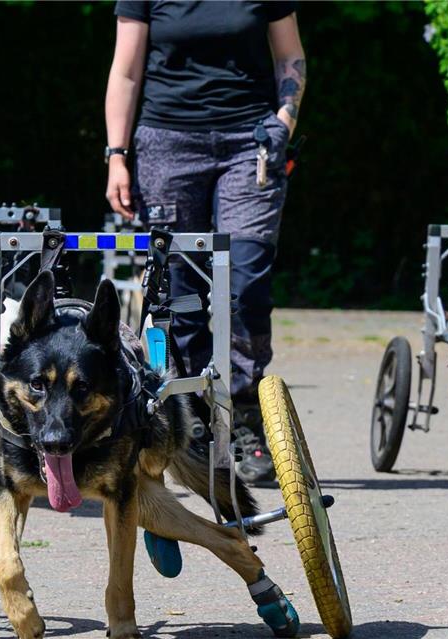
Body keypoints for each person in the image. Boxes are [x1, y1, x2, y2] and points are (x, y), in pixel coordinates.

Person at [104, 0, 305, 484]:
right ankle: (193, 421)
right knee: (182, 294)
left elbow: (290, 57)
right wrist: (116, 155)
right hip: (166, 145)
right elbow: (126, 71)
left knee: (247, 283)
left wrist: (285, 119)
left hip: (249, 142)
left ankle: (244, 417)